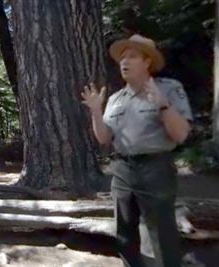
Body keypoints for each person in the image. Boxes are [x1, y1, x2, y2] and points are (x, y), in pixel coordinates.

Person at [81, 34, 192, 267]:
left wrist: (162, 104)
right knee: (124, 234)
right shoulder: (115, 99)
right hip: (122, 170)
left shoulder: (169, 88)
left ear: (147, 62)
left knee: (162, 234)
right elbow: (104, 138)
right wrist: (95, 112)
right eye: (122, 57)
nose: (124, 62)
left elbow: (181, 134)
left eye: (132, 56)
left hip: (156, 168)